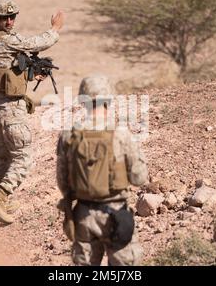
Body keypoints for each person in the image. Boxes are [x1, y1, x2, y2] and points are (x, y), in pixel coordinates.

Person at [0, 0, 64, 224]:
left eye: (12, 16)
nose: (10, 21)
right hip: (11, 108)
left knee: (1, 157)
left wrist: (30, 73)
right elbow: (36, 43)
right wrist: (55, 28)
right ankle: (0, 197)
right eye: (5, 17)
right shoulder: (6, 41)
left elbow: (5, 70)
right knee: (23, 156)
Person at [56, 75, 148, 265]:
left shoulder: (68, 135)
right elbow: (139, 178)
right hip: (116, 215)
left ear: (83, 100)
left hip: (83, 216)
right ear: (109, 99)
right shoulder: (121, 133)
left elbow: (63, 183)